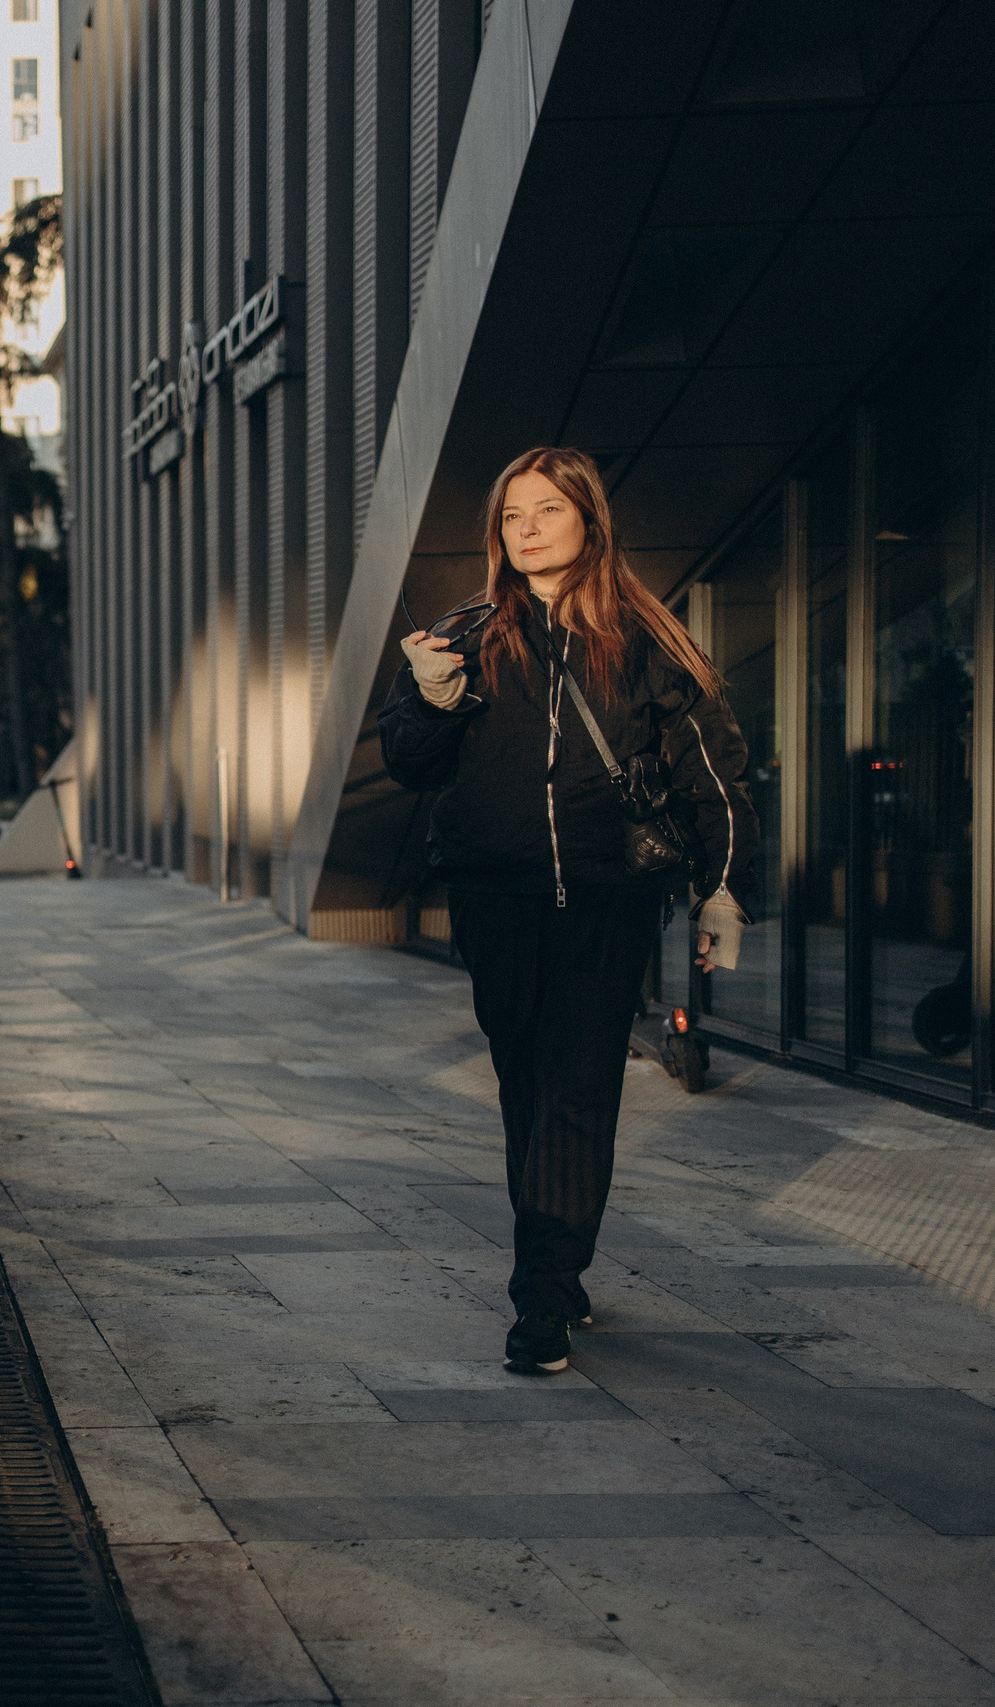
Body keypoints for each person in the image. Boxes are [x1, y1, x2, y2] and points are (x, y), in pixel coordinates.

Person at [379, 446, 757, 1375]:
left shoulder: (644, 637)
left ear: (589, 518)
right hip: (495, 898)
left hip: (605, 900)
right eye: (513, 515)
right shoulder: (465, 634)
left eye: (548, 509)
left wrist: (724, 887)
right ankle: (559, 1257)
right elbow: (408, 761)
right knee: (525, 1086)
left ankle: (540, 1296)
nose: (530, 528)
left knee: (580, 1083)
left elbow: (714, 773)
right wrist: (431, 697)